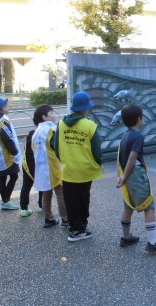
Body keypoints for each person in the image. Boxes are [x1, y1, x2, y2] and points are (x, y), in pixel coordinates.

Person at [116, 103, 156, 254]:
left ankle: (126, 237)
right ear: (139, 119)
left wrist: (120, 177)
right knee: (149, 207)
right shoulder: (138, 137)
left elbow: (120, 157)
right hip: (135, 175)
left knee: (128, 206)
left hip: (125, 174)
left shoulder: (124, 136)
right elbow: (132, 158)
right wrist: (125, 176)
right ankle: (152, 242)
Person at [55, 91, 103, 242]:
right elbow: (97, 152)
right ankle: (79, 228)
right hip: (85, 169)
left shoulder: (61, 124)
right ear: (86, 108)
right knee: (83, 198)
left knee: (70, 199)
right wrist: (97, 164)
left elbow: (56, 147)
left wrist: (64, 160)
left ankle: (75, 227)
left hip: (68, 169)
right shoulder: (90, 126)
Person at [32, 105, 68, 228]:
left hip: (41, 167)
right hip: (53, 166)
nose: (54, 115)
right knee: (60, 192)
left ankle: (48, 218)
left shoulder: (36, 131)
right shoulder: (51, 129)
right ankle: (65, 218)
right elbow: (58, 147)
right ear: (44, 116)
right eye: (51, 113)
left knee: (46, 193)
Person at [20, 127, 43, 217]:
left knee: (26, 186)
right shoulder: (45, 133)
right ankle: (41, 207)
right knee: (42, 186)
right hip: (39, 165)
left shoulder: (31, 133)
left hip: (27, 164)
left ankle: (23, 209)